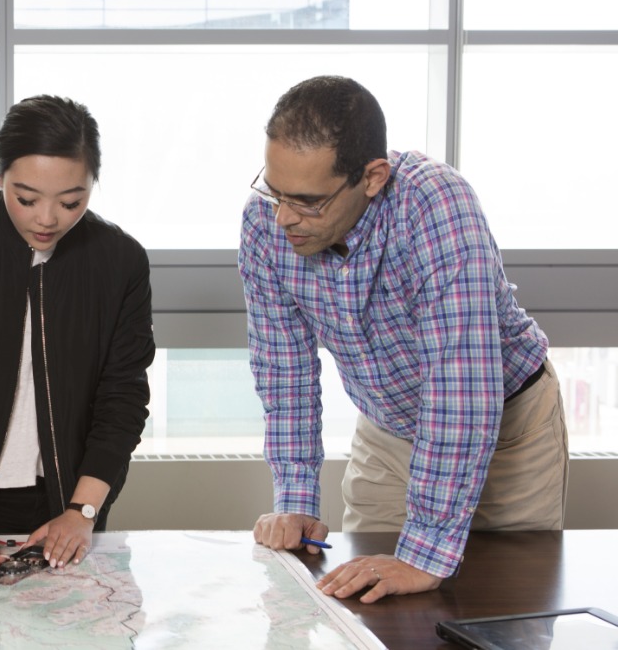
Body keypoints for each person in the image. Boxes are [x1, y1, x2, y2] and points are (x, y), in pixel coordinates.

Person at [240, 75, 567, 603]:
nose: (283, 218)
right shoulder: (265, 223)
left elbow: (460, 389)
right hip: (389, 431)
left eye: (306, 201)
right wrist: (296, 498)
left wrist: (426, 550)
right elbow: (285, 372)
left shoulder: (435, 204)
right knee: (368, 606)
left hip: (505, 426)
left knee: (503, 604)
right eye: (274, 191)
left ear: (372, 177)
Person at [0, 95, 155, 578]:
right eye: (26, 198)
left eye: (71, 201)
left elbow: (122, 397)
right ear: (0, 177)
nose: (47, 219)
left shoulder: (120, 260)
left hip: (72, 502)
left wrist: (83, 513)